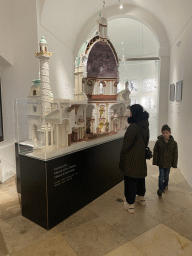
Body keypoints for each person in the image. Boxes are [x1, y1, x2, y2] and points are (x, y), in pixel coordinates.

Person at [119, 104, 149, 214]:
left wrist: (122, 153)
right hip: (140, 156)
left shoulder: (133, 126)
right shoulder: (145, 125)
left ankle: (130, 204)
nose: (129, 113)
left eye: (130, 111)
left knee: (130, 179)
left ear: (134, 112)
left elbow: (127, 144)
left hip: (131, 157)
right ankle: (141, 198)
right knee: (140, 177)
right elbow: (146, 141)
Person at [153, 124, 178, 197]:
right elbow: (155, 152)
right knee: (161, 177)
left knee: (166, 176)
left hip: (168, 163)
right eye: (163, 133)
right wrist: (155, 161)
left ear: (170, 133)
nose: (165, 134)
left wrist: (174, 164)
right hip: (161, 163)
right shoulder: (158, 142)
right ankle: (160, 190)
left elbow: (175, 154)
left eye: (166, 132)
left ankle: (166, 185)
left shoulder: (174, 143)